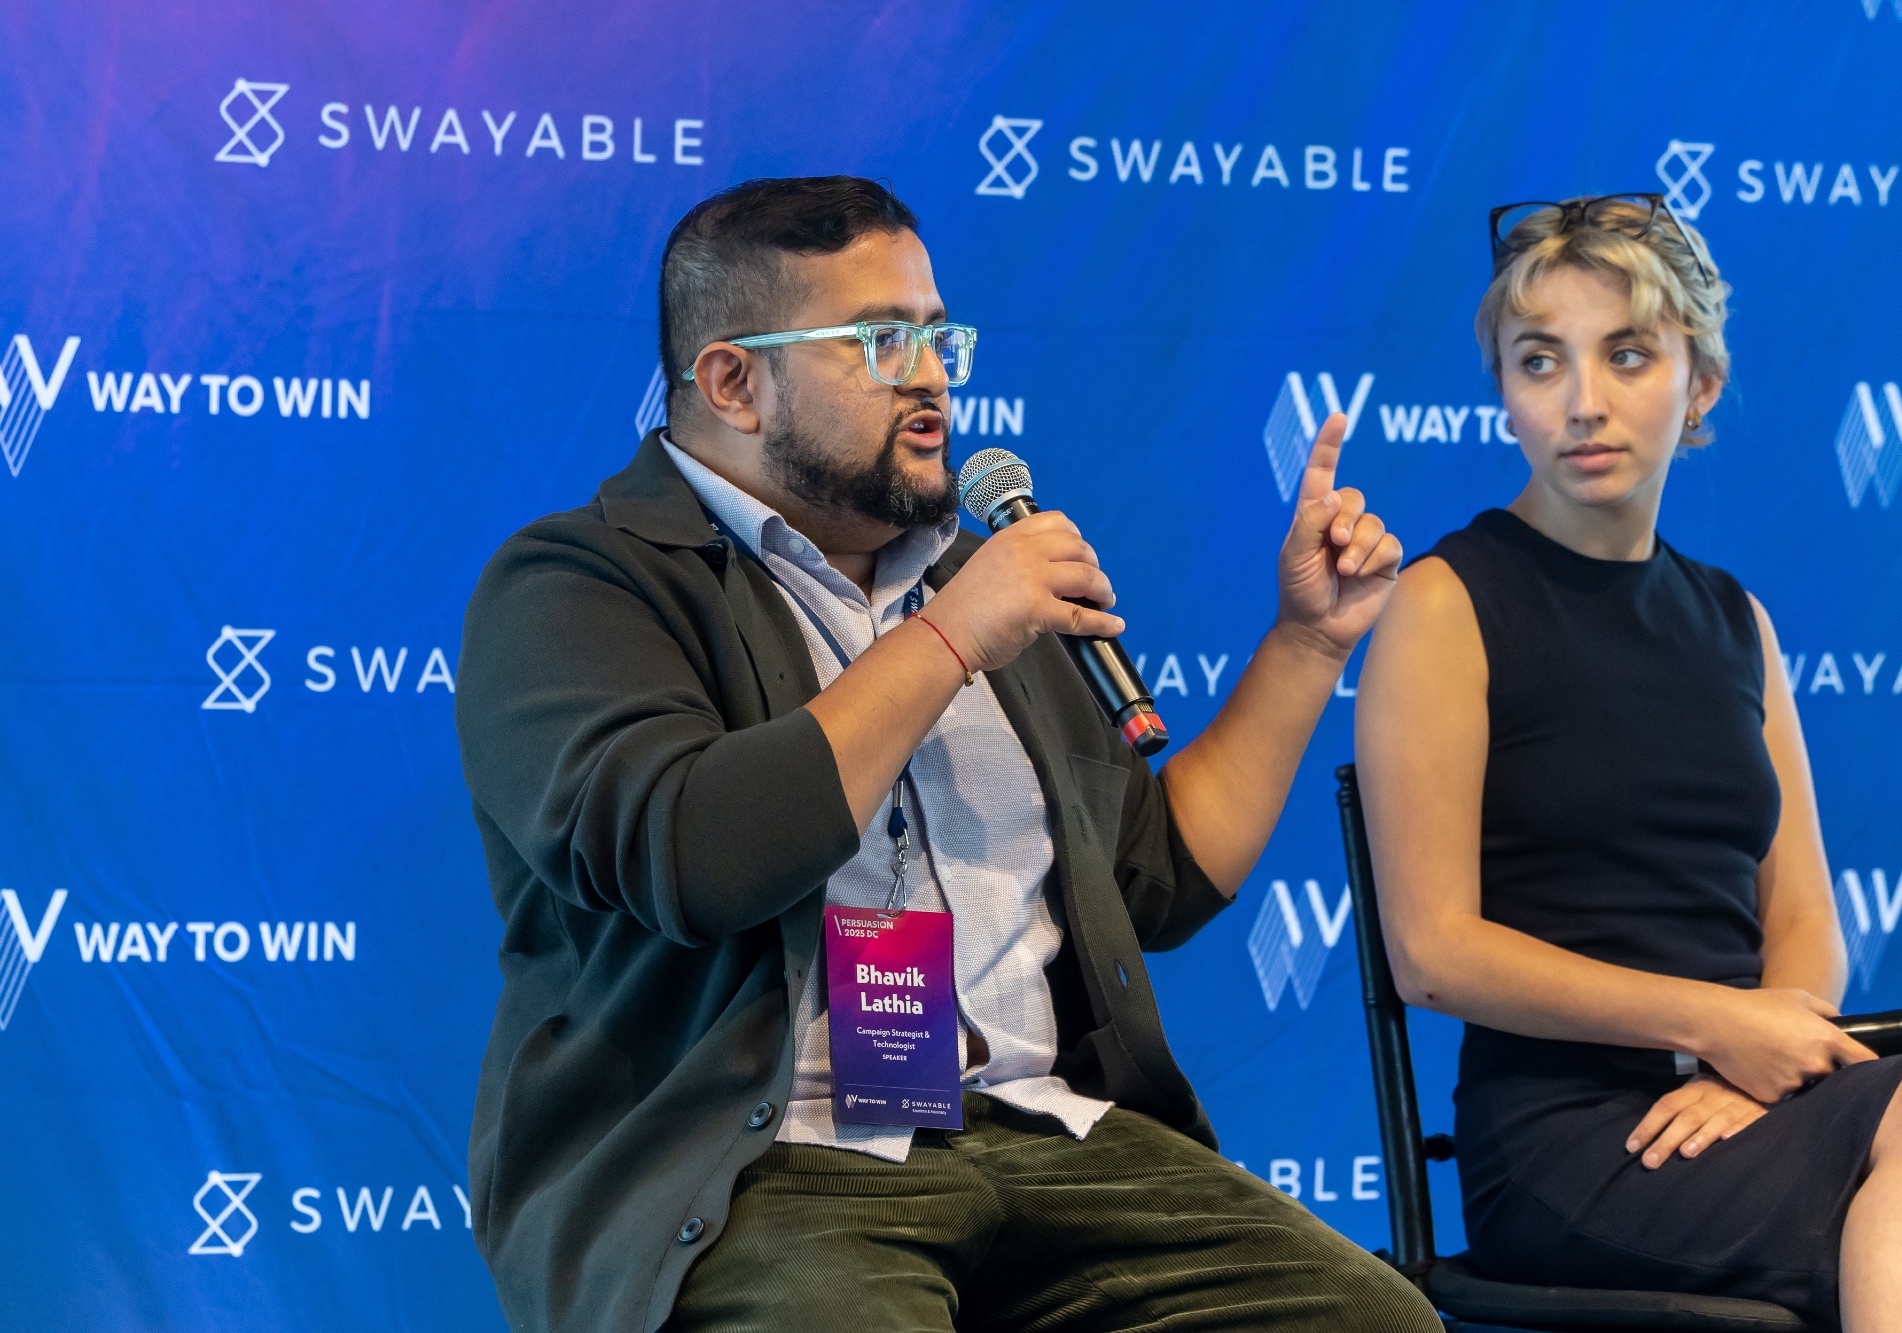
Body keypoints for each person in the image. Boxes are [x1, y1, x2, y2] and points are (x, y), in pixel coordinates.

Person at [454, 176, 1438, 1333]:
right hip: (763, 1165)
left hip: (1038, 1128)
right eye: (881, 340)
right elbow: (694, 857)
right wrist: (950, 638)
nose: (930, 375)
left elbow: (1155, 882)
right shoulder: (582, 583)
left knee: (1373, 1322)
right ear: (732, 383)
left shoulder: (976, 576)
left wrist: (1307, 642)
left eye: (937, 335)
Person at [1355, 193, 1902, 1332]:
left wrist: (1748, 1063)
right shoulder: (1444, 603)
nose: (1582, 401)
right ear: (1502, 386)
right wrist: (1713, 1026)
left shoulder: (1736, 620)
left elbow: (1803, 922)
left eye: (1627, 354)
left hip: (1747, 1100)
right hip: (1569, 1142)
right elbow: (1434, 953)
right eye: (1540, 360)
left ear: (1699, 382)